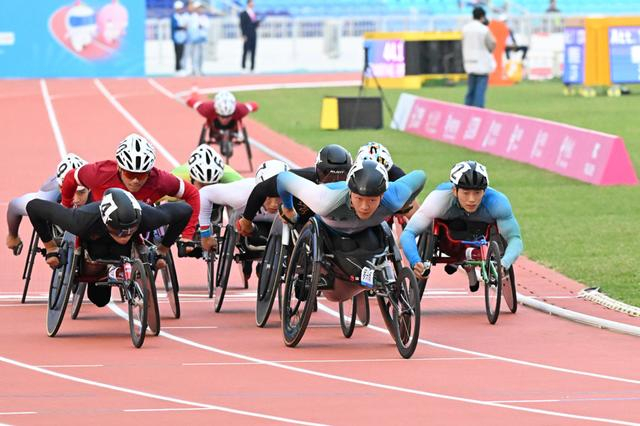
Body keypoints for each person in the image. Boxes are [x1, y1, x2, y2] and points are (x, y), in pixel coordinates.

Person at [26, 188, 191, 306]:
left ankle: (128, 271)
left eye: (130, 230)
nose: (124, 235)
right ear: (106, 222)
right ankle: (100, 274)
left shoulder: (147, 217)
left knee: (130, 247)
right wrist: (51, 248)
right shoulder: (81, 220)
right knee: (100, 300)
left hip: (126, 249)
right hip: (94, 245)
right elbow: (33, 207)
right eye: (119, 231)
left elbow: (185, 210)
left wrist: (163, 249)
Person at [399, 161, 523, 292]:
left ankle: (467, 263)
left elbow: (515, 239)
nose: (471, 199)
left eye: (477, 193)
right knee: (437, 225)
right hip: (448, 239)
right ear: (454, 190)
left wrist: (503, 264)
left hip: (478, 236)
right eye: (466, 193)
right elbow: (408, 233)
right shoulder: (438, 200)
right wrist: (415, 261)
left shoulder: (498, 203)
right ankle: (465, 263)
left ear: (484, 191)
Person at [59, 133, 200, 245]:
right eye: (130, 174)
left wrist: (187, 235)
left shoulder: (159, 180)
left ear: (150, 172)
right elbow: (71, 177)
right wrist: (66, 208)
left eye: (142, 175)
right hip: (100, 224)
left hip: (138, 227)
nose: (135, 180)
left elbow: (192, 193)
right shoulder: (99, 173)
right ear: (119, 168)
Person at [277, 159, 425, 241]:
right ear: (350, 192)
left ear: (382, 195)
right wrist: (288, 208)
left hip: (366, 233)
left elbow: (421, 175)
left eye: (372, 200)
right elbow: (283, 178)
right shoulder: (324, 200)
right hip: (328, 231)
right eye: (359, 198)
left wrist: (405, 204)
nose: (364, 206)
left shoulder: (394, 198)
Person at [199, 159, 289, 285]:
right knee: (248, 232)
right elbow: (204, 193)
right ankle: (248, 260)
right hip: (244, 229)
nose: (274, 204)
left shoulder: (295, 195)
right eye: (269, 196)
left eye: (279, 196)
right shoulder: (240, 193)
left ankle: (264, 262)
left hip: (274, 230)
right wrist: (205, 235)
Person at [237, 144, 352, 236]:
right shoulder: (302, 178)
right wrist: (247, 220)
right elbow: (261, 189)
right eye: (327, 174)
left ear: (351, 173)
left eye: (342, 176)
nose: (334, 181)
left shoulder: (357, 184)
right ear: (317, 171)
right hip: (303, 226)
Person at [6, 153, 90, 254]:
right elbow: (13, 206)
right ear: (60, 188)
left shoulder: (98, 186)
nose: (76, 199)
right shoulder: (46, 198)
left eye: (81, 192)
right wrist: (13, 236)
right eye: (71, 192)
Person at [187, 89, 259, 139]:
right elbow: (192, 102)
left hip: (233, 125)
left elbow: (254, 105)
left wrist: (254, 108)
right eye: (222, 116)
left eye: (228, 116)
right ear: (216, 110)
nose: (225, 120)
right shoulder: (206, 109)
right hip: (214, 126)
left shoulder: (241, 109)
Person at [462, 7, 496, 108]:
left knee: (470, 91)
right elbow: (492, 43)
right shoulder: (483, 29)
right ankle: (479, 111)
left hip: (469, 61)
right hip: (482, 62)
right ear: (482, 17)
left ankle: (467, 110)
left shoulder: (465, 28)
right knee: (480, 91)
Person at [171, 144, 243, 190]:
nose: (206, 190)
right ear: (191, 177)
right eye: (202, 185)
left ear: (219, 179)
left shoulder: (233, 179)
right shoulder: (175, 179)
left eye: (211, 185)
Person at [187, 1, 210, 76]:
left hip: (202, 39)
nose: (200, 10)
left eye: (201, 8)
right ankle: (194, 70)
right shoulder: (192, 17)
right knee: (194, 55)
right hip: (194, 39)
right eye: (199, 8)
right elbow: (192, 27)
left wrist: (201, 26)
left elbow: (206, 26)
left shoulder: (205, 17)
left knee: (201, 55)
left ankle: (200, 69)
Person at [239, 0, 261, 73]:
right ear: (248, 3)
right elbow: (242, 25)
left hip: (253, 34)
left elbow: (254, 25)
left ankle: (252, 68)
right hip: (247, 35)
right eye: (252, 2)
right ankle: (243, 67)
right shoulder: (243, 13)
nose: (253, 4)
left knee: (253, 51)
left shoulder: (254, 13)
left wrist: (257, 23)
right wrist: (243, 35)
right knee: (245, 51)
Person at [171, 1, 189, 74]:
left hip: (183, 38)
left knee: (183, 53)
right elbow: (175, 26)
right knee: (178, 53)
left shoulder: (184, 16)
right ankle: (178, 68)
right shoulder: (174, 16)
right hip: (177, 38)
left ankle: (182, 67)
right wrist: (182, 27)